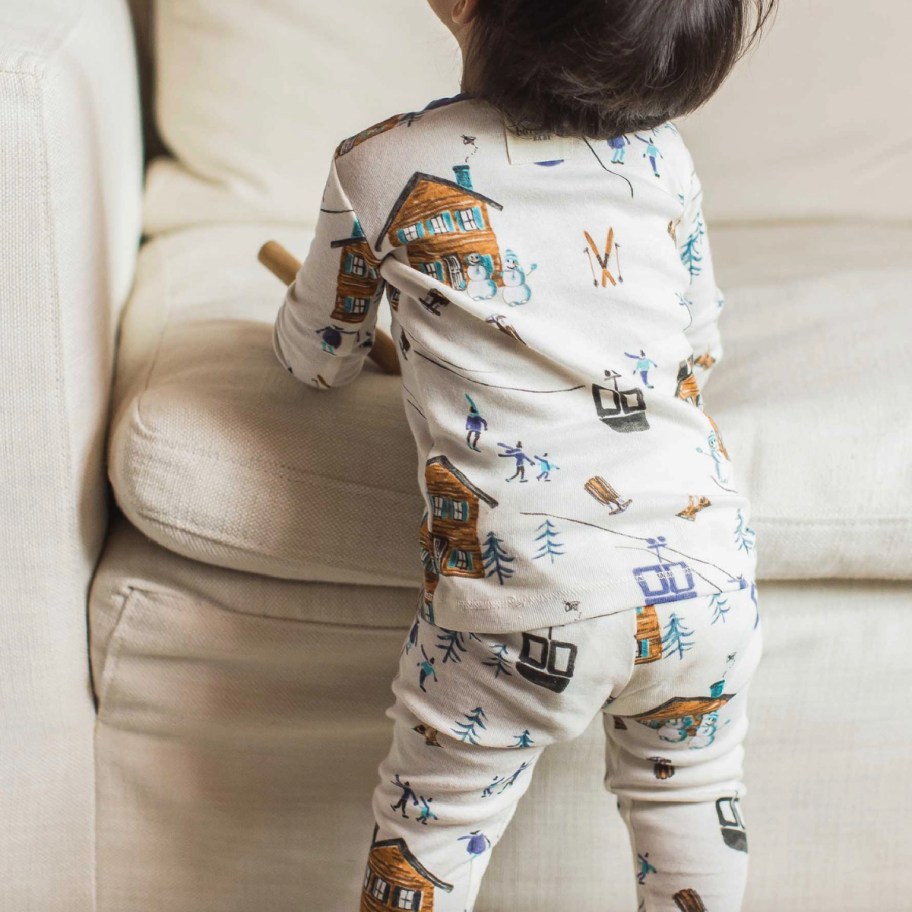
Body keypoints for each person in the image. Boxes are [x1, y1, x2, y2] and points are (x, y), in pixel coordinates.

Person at [272, 0, 778, 908]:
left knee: (433, 830)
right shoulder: (664, 158)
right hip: (711, 574)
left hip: (524, 597)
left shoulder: (378, 164)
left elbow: (319, 360)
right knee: (695, 795)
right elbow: (697, 351)